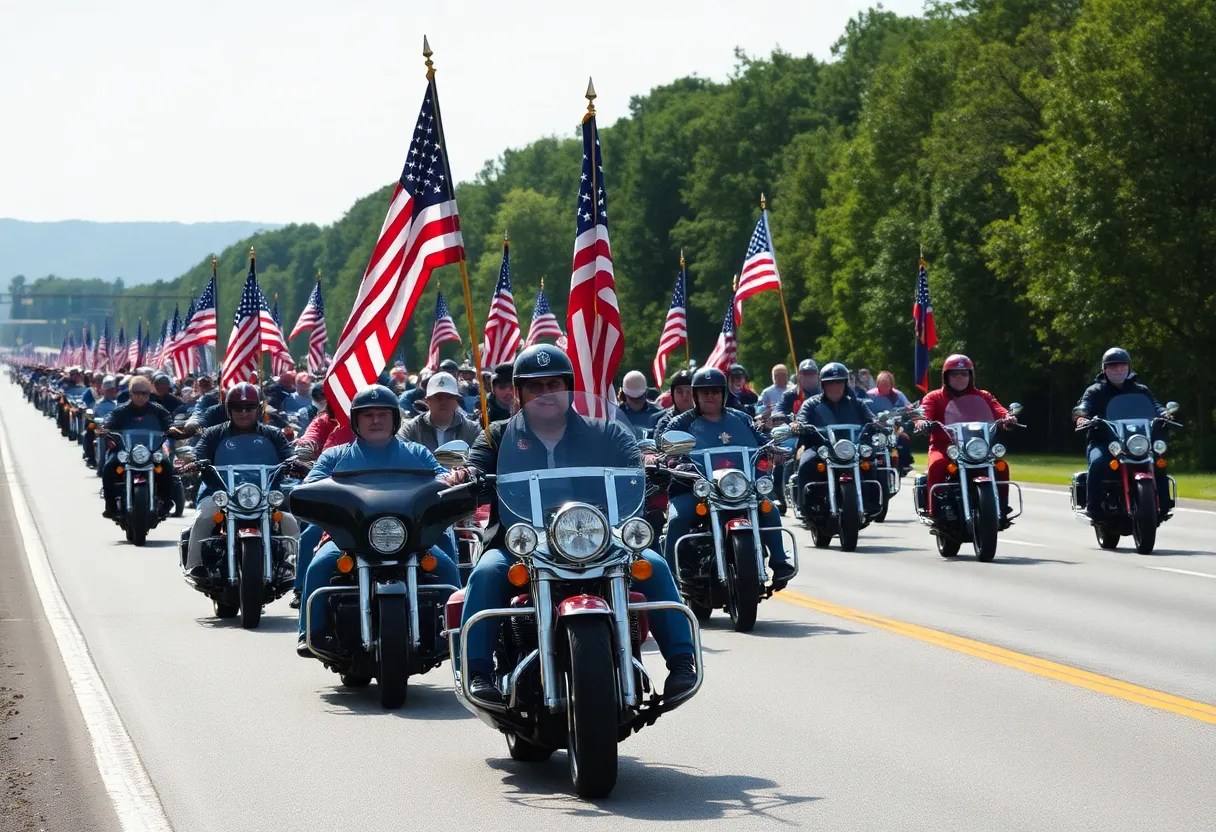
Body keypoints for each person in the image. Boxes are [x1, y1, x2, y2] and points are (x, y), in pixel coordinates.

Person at [445, 344, 698, 703]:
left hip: (598, 539)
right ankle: (478, 670)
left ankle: (682, 662)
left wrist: (651, 459)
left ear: (568, 387)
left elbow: (633, 456)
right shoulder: (497, 436)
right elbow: (475, 462)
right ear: (518, 393)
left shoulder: (605, 432)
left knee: (651, 563)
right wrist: (465, 473)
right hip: (520, 544)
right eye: (535, 387)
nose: (546, 394)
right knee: (486, 571)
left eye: (554, 385)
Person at [296, 384, 461, 657]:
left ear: (395, 419)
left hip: (410, 538)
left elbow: (441, 477)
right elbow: (311, 483)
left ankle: (453, 630)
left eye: (382, 414)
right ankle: (311, 632)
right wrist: (311, 489)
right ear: (356, 420)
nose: (375, 420)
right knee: (319, 565)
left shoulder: (417, 453)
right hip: (350, 539)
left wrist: (453, 477)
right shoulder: (336, 455)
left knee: (445, 568)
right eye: (368, 414)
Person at [660, 367, 795, 584]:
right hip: (695, 487)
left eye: (715, 390)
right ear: (696, 395)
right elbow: (664, 442)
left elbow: (760, 438)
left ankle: (779, 562)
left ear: (723, 393)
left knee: (768, 509)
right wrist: (670, 458)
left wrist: (774, 448)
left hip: (738, 485)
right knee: (679, 516)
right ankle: (669, 578)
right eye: (705, 392)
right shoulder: (682, 422)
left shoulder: (740, 418)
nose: (710, 395)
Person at [183, 383, 300, 577]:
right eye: (238, 408)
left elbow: (288, 454)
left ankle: (293, 564)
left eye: (249, 407)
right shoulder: (214, 433)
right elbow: (199, 452)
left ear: (258, 409)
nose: (243, 412)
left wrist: (295, 463)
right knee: (203, 518)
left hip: (264, 494)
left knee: (289, 522)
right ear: (229, 410)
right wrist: (194, 462)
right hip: (220, 493)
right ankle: (196, 565)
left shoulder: (272, 434)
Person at [1073, 347, 1175, 520]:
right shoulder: (1095, 391)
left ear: (1129, 367)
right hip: (1103, 441)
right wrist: (1082, 418)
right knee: (1098, 463)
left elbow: (1156, 406)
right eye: (1112, 366)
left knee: (1158, 462)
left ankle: (1163, 505)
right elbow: (1083, 408)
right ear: (1104, 369)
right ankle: (1094, 508)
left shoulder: (1140, 390)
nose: (1118, 370)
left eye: (1122, 366)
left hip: (1136, 441)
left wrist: (1164, 413)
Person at [917, 355, 1016, 516]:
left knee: (1001, 466)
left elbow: (998, 409)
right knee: (937, 465)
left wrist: (1008, 418)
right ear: (946, 377)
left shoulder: (983, 395)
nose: (959, 378)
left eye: (964, 373)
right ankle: (935, 509)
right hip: (945, 448)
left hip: (977, 446)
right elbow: (923, 412)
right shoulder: (934, 397)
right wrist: (922, 422)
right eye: (954, 374)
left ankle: (1001, 506)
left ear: (971, 376)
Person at [794, 362, 880, 513]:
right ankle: (805, 505)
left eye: (839, 382)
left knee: (871, 463)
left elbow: (871, 419)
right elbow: (801, 419)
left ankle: (871, 502)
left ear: (845, 384)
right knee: (805, 462)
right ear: (823, 385)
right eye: (830, 383)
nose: (835, 386)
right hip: (821, 449)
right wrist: (798, 425)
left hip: (851, 449)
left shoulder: (857, 404)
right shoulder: (811, 404)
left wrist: (878, 423)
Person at [98, 375, 173, 518]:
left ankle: (166, 502)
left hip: (151, 450)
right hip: (125, 450)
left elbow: (169, 422)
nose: (140, 396)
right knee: (109, 466)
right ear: (130, 393)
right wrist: (105, 429)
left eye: (144, 393)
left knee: (166, 466)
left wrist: (174, 429)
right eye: (136, 392)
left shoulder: (158, 411)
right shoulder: (120, 411)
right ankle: (111, 504)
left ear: (149, 394)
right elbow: (108, 422)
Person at [399, 372, 481, 451]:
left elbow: (481, 460)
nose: (443, 402)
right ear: (427, 401)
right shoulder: (411, 430)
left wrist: (468, 465)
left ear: (457, 401)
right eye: (438, 396)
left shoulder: (473, 430)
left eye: (449, 397)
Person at [868, 371, 914, 472]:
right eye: (881, 383)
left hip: (893, 428)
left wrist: (910, 410)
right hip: (874, 428)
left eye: (886, 384)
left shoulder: (898, 395)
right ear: (877, 384)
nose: (884, 386)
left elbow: (909, 407)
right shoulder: (870, 395)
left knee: (904, 438)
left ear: (891, 385)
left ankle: (904, 464)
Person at [653, 369, 695, 436]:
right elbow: (660, 444)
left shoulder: (707, 418)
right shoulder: (665, 422)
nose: (685, 396)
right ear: (672, 394)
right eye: (679, 391)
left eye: (690, 391)